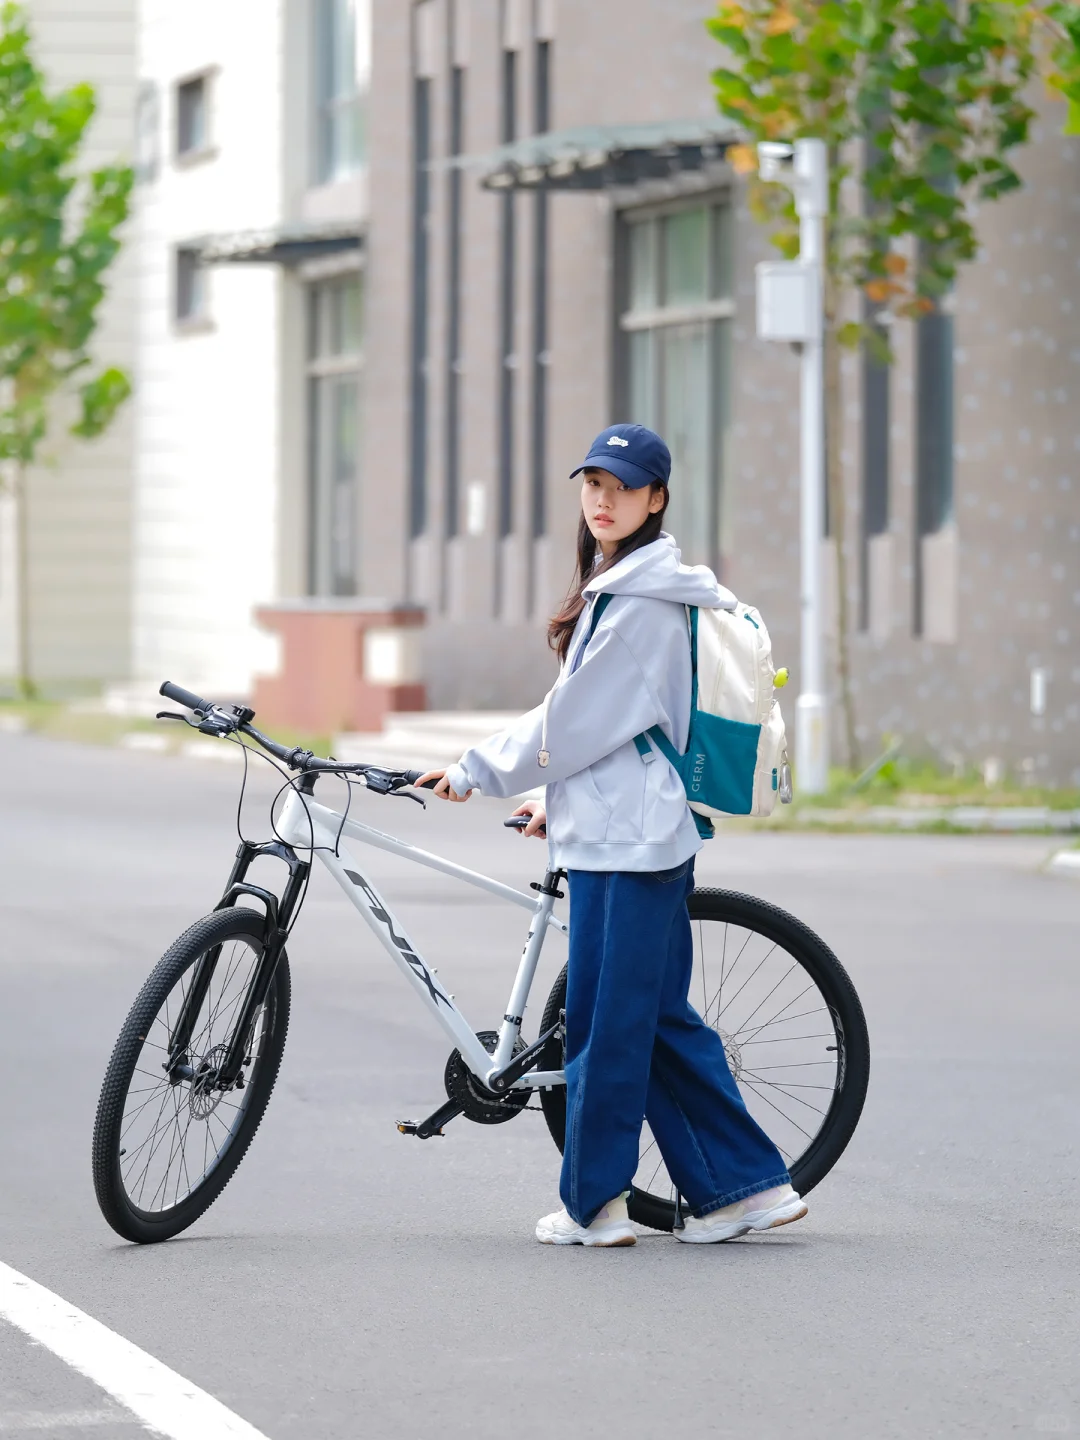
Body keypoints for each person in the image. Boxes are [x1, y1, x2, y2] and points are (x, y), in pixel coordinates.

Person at [417, 423, 806, 1248]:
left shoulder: (640, 605)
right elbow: (616, 727)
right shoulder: (627, 588)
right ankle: (743, 1189)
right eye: (593, 483)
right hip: (628, 831)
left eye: (622, 487)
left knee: (605, 1025)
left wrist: (477, 769)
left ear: (657, 499)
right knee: (654, 1018)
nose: (602, 499)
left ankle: (596, 1205)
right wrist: (560, 803)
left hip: (629, 847)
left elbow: (576, 720)